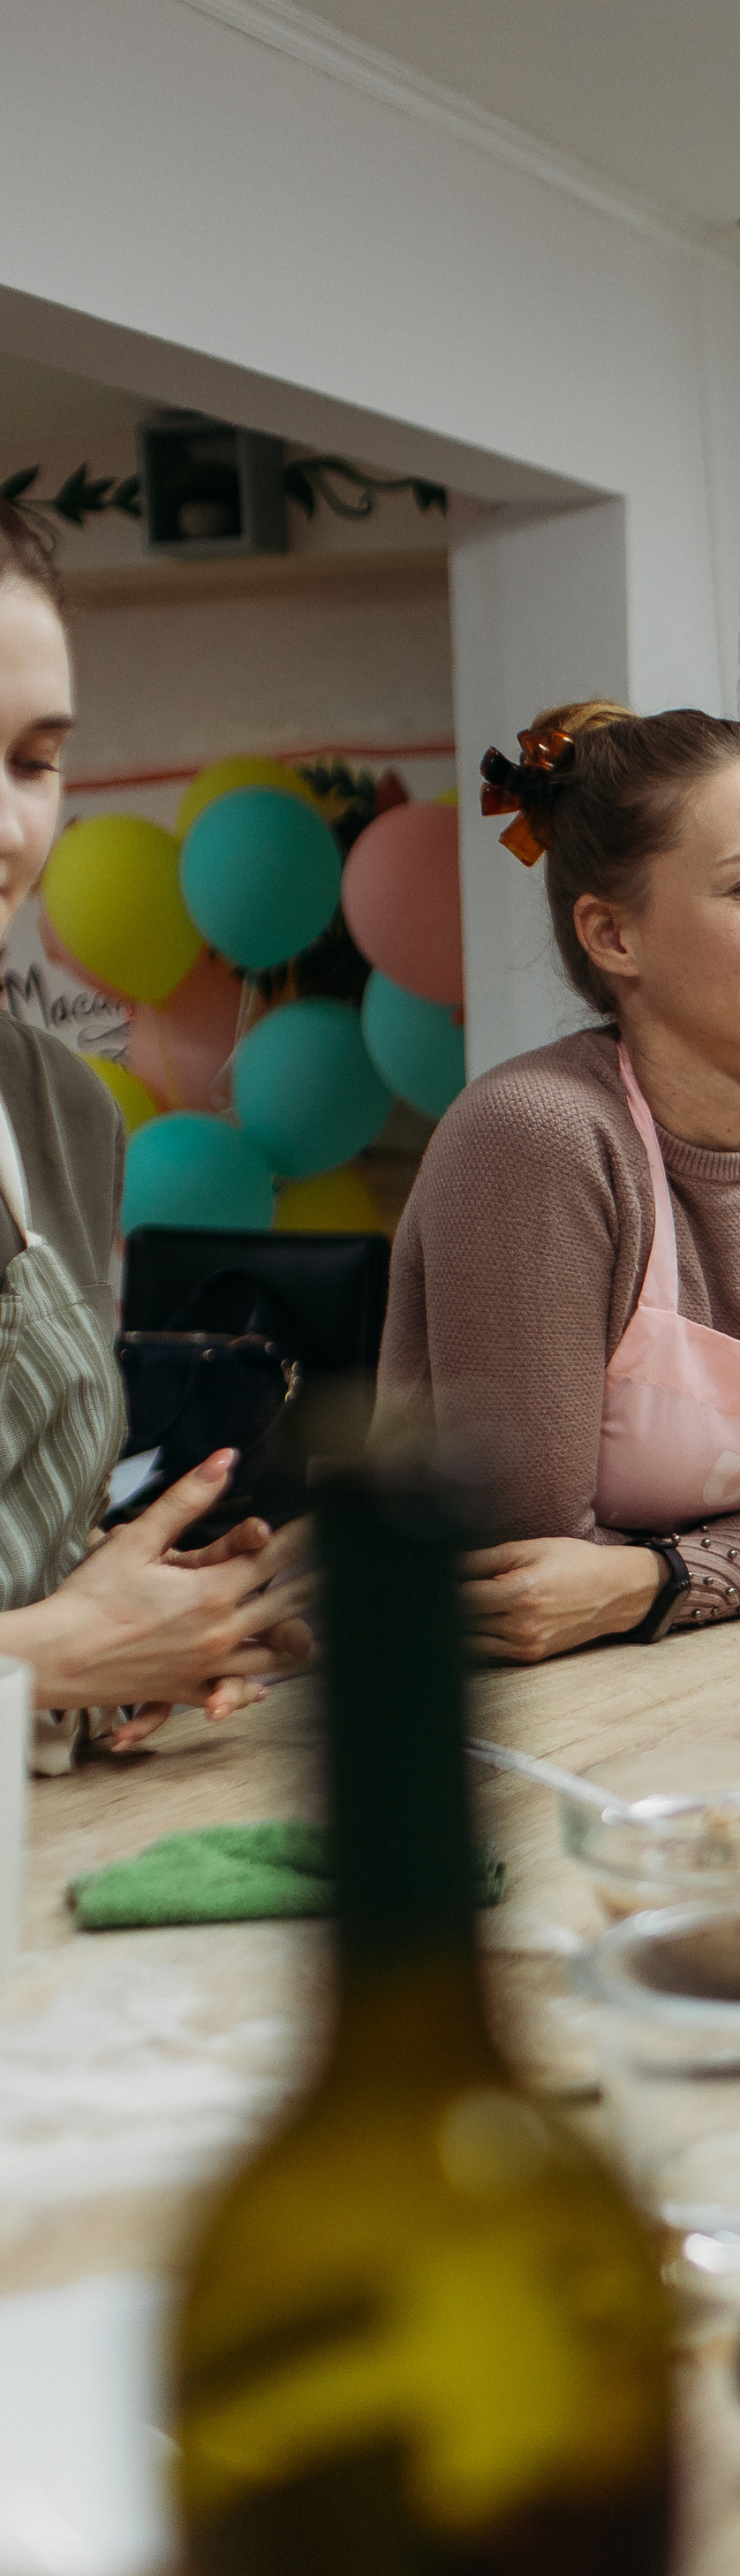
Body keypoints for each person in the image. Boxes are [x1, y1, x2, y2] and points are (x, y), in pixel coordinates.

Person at [379, 701, 740, 1660]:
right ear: (613, 935)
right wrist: (739, 1563)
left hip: (720, 1661)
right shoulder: (537, 1138)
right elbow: (529, 1577)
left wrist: (655, 1581)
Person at [0, 498, 306, 1757]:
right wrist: (49, 1658)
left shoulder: (58, 1110)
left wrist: (153, 1618)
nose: (10, 831)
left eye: (32, 762)